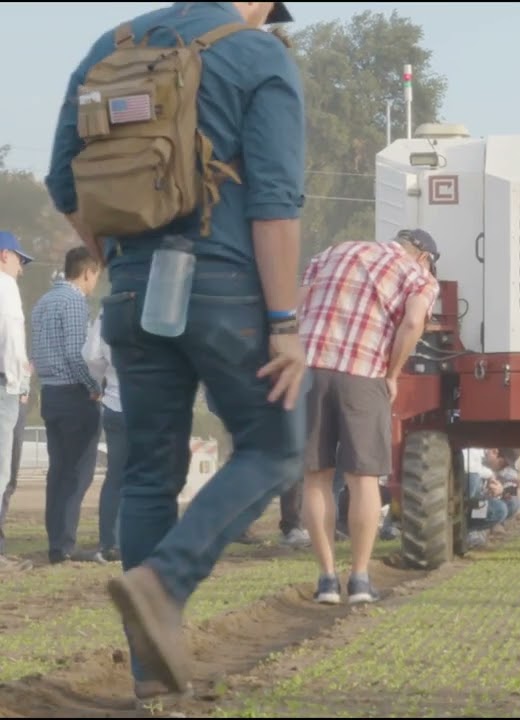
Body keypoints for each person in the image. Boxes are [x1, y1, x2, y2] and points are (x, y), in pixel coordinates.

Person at [44, 0, 307, 702]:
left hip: (131, 290)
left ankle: (149, 681)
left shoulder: (112, 44)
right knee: (277, 445)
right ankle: (165, 581)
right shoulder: (258, 56)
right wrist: (285, 321)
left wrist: (120, 258)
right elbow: (275, 201)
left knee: (147, 474)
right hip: (225, 290)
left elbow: (63, 182)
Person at [298, 228, 439, 605]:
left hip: (309, 369)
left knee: (315, 477)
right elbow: (412, 323)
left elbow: (299, 305)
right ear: (424, 257)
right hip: (364, 372)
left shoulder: (332, 252)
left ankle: (327, 580)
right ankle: (359, 580)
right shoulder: (418, 276)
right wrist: (392, 373)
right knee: (363, 478)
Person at [30, 247, 103, 564]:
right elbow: (77, 353)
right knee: (78, 472)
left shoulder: (43, 302)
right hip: (74, 394)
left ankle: (56, 542)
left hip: (50, 392)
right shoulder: (74, 301)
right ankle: (65, 545)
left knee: (58, 471)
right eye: (96, 277)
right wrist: (93, 387)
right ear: (88, 272)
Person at [0, 231, 33, 572]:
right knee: (1, 472)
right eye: (20, 259)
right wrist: (18, 382)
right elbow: (10, 333)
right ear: (3, 255)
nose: (22, 267)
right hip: (3, 387)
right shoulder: (5, 286)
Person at [83, 308, 125, 563]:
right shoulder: (163, 301)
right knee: (151, 476)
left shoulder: (107, 310)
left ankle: (111, 542)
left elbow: (91, 355)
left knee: (116, 476)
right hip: (153, 406)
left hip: (116, 402)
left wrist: (101, 380)